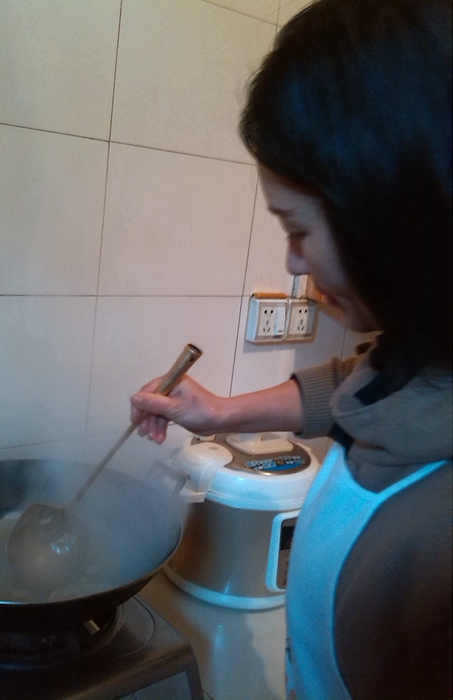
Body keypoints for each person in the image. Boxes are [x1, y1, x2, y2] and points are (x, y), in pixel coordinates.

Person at [130, 0, 452, 698]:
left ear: (392, 213)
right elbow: (355, 384)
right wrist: (218, 414)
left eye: (298, 230)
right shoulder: (414, 360)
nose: (293, 263)